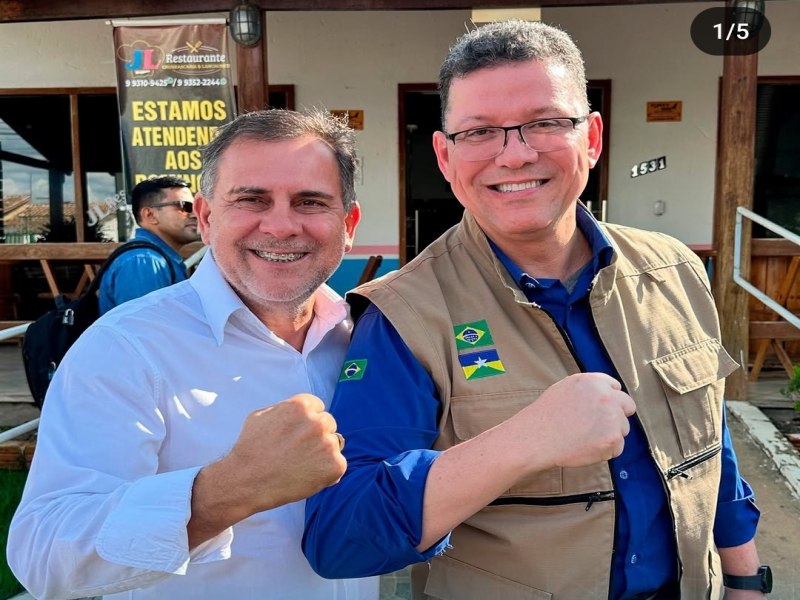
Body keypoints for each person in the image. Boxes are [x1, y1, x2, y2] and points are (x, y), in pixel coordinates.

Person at [304, 20, 768, 600]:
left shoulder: (674, 269)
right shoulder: (405, 315)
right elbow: (343, 537)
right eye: (479, 132)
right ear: (445, 157)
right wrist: (521, 443)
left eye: (547, 123)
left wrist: (746, 576)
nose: (516, 155)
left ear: (592, 138)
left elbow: (709, 439)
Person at [8, 109, 377, 600]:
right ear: (205, 218)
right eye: (251, 199)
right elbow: (43, 557)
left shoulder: (372, 338)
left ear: (347, 223)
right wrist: (224, 491)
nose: (282, 225)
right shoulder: (126, 349)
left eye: (311, 201)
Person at [98, 175, 200, 315]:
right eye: (184, 206)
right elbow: (144, 331)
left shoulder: (153, 258)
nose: (195, 214)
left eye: (196, 207)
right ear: (150, 215)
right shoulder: (144, 262)